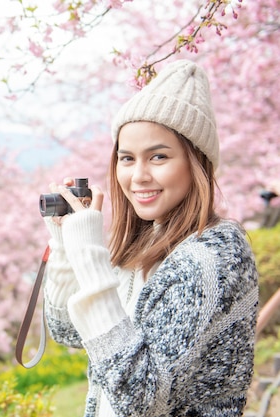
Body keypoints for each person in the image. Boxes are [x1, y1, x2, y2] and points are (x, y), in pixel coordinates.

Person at [42, 59, 259, 416]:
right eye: (127, 159)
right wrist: (67, 248)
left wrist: (91, 256)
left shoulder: (211, 259)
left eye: (158, 156)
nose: (139, 175)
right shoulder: (145, 245)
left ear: (196, 162)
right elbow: (68, 332)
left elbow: (142, 402)